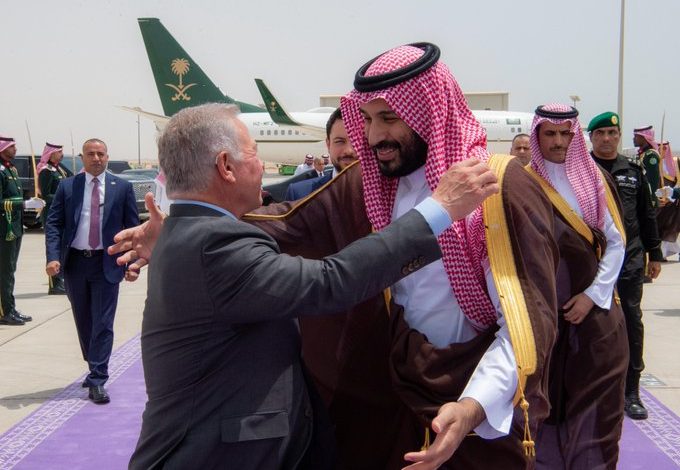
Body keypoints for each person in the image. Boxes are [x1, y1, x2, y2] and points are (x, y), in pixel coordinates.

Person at [112, 44, 558, 469]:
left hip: (477, 409)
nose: (374, 136)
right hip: (392, 402)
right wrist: (180, 233)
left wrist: (474, 405)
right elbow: (296, 232)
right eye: (367, 119)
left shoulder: (499, 186)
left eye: (388, 118)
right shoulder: (369, 184)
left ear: (429, 112)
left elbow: (528, 321)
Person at [525, 105, 627, 468]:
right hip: (541, 317)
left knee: (593, 410)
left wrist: (591, 296)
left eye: (565, 134)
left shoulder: (595, 179)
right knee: (542, 411)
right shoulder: (524, 182)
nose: (558, 142)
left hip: (591, 315)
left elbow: (616, 243)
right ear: (537, 136)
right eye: (549, 134)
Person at [45, 138, 138, 404]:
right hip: (76, 263)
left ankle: (98, 378)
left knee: (103, 322)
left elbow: (133, 230)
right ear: (82, 158)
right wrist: (53, 257)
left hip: (107, 263)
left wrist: (132, 264)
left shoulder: (122, 188)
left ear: (107, 156)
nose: (96, 158)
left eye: (100, 154)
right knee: (84, 320)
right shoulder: (67, 186)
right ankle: (94, 363)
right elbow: (54, 224)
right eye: (90, 154)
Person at [589, 112, 663, 420]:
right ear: (591, 137)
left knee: (631, 319)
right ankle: (593, 388)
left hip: (629, 259)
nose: (607, 139)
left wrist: (655, 253)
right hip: (591, 261)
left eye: (612, 133)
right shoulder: (582, 169)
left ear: (619, 136)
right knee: (592, 323)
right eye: (601, 133)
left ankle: (631, 391)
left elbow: (647, 214)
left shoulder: (633, 171)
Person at [0, 136, 44, 325]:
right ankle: (4, 312)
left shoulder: (11, 168)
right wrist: (24, 204)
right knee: (4, 271)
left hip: (14, 228)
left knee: (10, 269)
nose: (15, 149)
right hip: (4, 228)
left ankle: (9, 307)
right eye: (12, 147)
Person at [283, 109, 358, 201]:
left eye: (356, 141)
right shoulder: (300, 194)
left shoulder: (375, 194)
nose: (349, 151)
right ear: (328, 145)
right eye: (339, 141)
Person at [38, 142, 68, 295]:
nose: (61, 155)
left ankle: (60, 280)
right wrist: (62, 197)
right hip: (51, 213)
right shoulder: (46, 171)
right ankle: (54, 284)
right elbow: (45, 194)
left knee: (62, 248)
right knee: (54, 248)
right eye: (59, 152)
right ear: (51, 153)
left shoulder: (58, 169)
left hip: (62, 213)